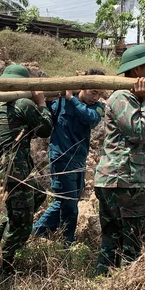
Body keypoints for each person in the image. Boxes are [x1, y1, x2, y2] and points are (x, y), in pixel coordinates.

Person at [93, 45, 145, 276]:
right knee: (135, 244)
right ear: (137, 71)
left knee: (114, 242)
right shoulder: (121, 97)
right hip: (122, 182)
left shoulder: (135, 98)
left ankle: (104, 286)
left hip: (120, 182)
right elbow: (138, 132)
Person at [0, 64, 53, 272]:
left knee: (37, 195)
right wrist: (41, 103)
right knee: (22, 227)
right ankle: (1, 266)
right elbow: (45, 129)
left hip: (4, 169)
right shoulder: (23, 103)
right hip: (14, 171)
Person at [33, 69, 106, 245]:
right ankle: (65, 241)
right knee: (68, 204)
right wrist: (46, 101)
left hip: (79, 160)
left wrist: (72, 99)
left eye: (100, 93)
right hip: (61, 158)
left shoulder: (97, 107)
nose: (96, 97)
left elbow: (92, 119)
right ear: (82, 87)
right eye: (93, 92)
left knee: (68, 201)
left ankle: (38, 232)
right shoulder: (61, 101)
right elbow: (47, 115)